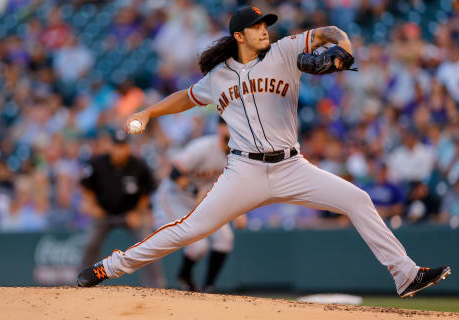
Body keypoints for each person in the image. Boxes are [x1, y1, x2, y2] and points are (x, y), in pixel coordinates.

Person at [77, 6, 450, 298]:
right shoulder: (218, 77)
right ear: (239, 35)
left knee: (357, 199)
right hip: (244, 172)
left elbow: (332, 33)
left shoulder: (286, 50)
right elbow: (185, 98)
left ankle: (405, 274)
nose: (264, 30)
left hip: (293, 166)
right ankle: (108, 268)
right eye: (256, 26)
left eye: (265, 24)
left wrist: (341, 53)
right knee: (189, 230)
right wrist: (146, 111)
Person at [153, 118, 246, 292]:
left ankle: (208, 288)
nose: (233, 131)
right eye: (228, 126)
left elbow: (236, 187)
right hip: (176, 197)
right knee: (198, 247)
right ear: (220, 127)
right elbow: (173, 172)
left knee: (225, 239)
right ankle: (185, 274)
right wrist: (194, 191)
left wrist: (239, 213)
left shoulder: (241, 154)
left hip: (204, 199)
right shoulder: (203, 147)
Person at [79, 129, 165, 288]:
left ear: (128, 147)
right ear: (110, 146)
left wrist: (138, 212)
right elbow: (86, 186)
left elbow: (146, 192)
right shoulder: (98, 163)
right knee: (90, 243)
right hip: (104, 214)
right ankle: (81, 281)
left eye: (123, 146)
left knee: (148, 244)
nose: (120, 150)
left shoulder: (138, 165)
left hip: (130, 214)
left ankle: (156, 286)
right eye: (117, 146)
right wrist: (92, 206)